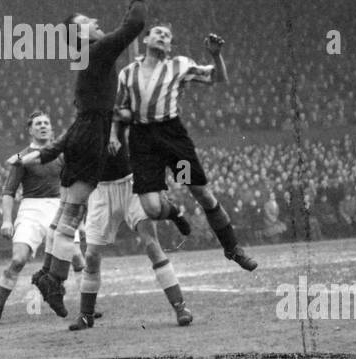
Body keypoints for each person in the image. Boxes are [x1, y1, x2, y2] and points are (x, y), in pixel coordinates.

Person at [12, 0, 149, 318]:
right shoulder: (96, 52)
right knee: (72, 216)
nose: (96, 21)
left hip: (84, 133)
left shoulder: (88, 56)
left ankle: (48, 275)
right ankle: (53, 281)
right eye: (88, 21)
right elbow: (134, 25)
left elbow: (77, 122)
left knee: (64, 215)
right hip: (91, 137)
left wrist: (46, 152)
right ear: (80, 34)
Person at [110, 25, 259, 272]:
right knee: (152, 209)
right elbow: (118, 110)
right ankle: (174, 213)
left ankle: (232, 248)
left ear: (170, 46)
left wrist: (215, 56)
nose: (162, 36)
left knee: (200, 192)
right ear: (146, 39)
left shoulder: (179, 65)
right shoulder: (127, 74)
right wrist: (114, 135)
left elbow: (217, 78)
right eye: (158, 33)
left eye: (167, 36)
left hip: (171, 139)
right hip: (143, 142)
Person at [67, 139, 192, 330]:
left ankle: (180, 308)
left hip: (131, 184)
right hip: (100, 190)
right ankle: (86, 315)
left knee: (151, 245)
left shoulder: (123, 122)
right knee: (91, 256)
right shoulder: (84, 128)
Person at [0, 109, 86, 325]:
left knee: (76, 256)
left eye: (46, 123)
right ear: (30, 130)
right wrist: (7, 220)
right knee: (18, 259)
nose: (43, 126)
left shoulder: (62, 155)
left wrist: (80, 222)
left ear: (52, 128)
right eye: (38, 124)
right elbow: (9, 191)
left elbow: (73, 186)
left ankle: (88, 308)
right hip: (31, 209)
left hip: (59, 206)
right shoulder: (22, 157)